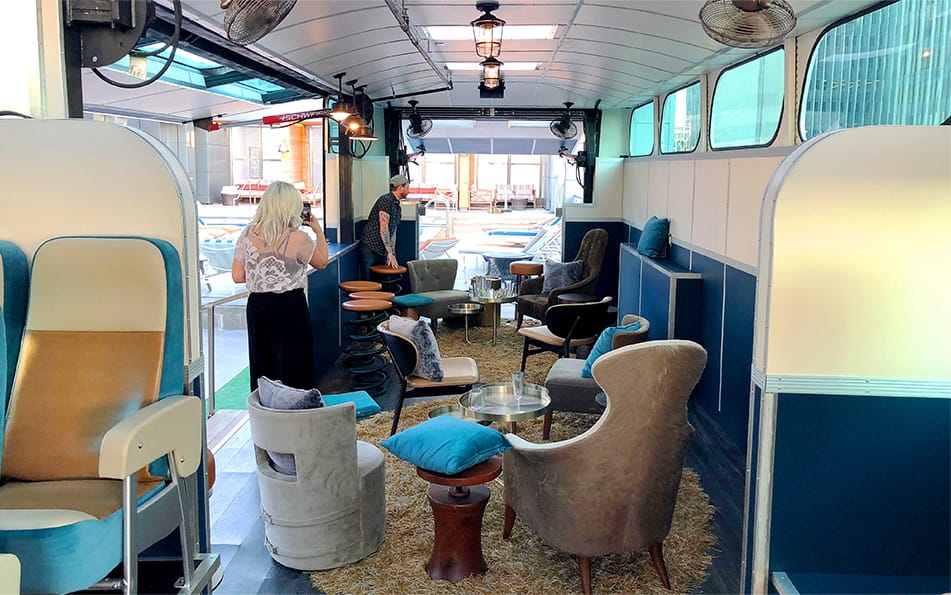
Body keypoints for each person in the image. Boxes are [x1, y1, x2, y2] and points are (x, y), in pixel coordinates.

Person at [232, 180, 329, 391]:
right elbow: (322, 262)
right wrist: (318, 231)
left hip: (258, 306)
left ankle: (266, 415)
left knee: (262, 363)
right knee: (294, 365)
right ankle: (295, 415)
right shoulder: (299, 238)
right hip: (290, 306)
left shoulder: (247, 234)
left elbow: (238, 276)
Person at [359, 173, 409, 280]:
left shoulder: (397, 206)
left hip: (383, 249)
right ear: (400, 188)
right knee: (368, 281)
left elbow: (393, 231)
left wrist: (392, 253)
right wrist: (390, 252)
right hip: (370, 246)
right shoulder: (386, 200)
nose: (408, 190)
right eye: (407, 187)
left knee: (381, 281)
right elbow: (384, 228)